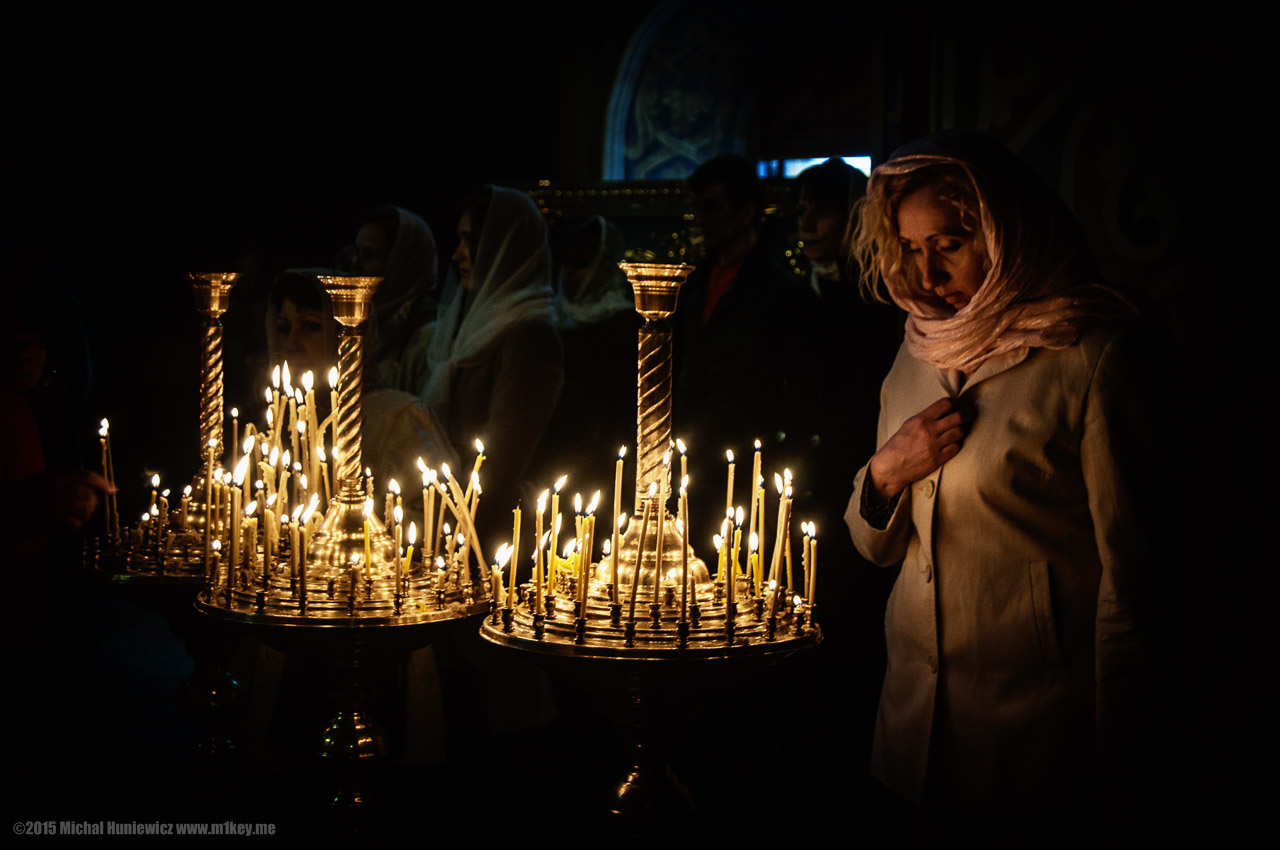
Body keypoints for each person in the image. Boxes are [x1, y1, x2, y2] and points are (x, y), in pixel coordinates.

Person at [844, 131, 1177, 817]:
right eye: (909, 247)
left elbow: (1135, 581)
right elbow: (874, 549)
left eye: (949, 244)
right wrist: (885, 473)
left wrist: (1124, 756)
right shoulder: (917, 347)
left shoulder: (1093, 353)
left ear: (1004, 234)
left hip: (1032, 733)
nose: (927, 275)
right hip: (910, 723)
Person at [423, 186, 563, 557]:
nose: (457, 254)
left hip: (495, 537)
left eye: (471, 241)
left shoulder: (530, 335)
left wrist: (457, 539)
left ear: (506, 246)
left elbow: (501, 462)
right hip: (456, 517)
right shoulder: (474, 324)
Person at [346, 206, 439, 394]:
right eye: (356, 252)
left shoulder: (427, 339)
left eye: (369, 255)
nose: (355, 263)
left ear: (401, 264)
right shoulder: (356, 324)